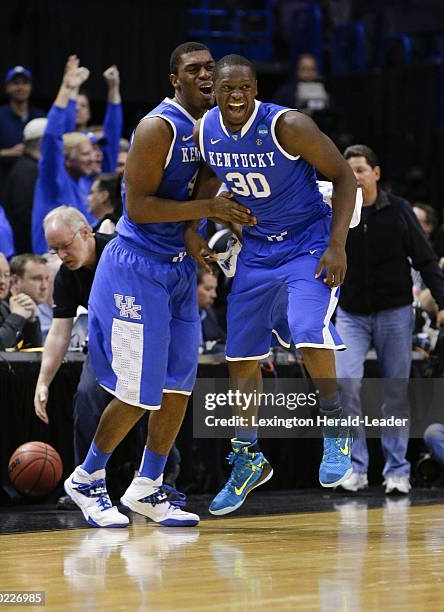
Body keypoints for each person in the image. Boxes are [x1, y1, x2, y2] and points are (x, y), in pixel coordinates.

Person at [64, 42, 256, 529]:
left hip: (176, 267)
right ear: (176, 79)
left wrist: (200, 236)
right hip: (134, 267)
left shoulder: (213, 128)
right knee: (135, 390)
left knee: (177, 387)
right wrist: (206, 212)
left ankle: (147, 486)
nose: (206, 75)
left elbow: (202, 192)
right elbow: (141, 209)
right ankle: (87, 478)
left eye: (211, 68)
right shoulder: (157, 127)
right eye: (194, 69)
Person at [188, 53, 357, 516]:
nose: (236, 96)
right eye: (227, 89)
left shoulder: (290, 126)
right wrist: (199, 227)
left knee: (307, 328)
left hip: (307, 241)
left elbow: (343, 176)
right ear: (215, 92)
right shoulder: (206, 130)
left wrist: (337, 245)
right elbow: (205, 185)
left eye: (244, 87)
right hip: (258, 249)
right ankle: (247, 457)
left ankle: (336, 426)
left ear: (255, 88)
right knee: (239, 355)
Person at [335, 144, 444, 494]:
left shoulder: (397, 210)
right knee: (346, 385)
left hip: (395, 311)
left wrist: (442, 302)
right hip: (350, 312)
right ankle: (356, 467)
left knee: (394, 391)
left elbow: (426, 261)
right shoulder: (338, 211)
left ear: (376, 174)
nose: (354, 176)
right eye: (348, 170)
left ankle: (397, 469)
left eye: (360, 170)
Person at [34, 207, 115, 467]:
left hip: (144, 336)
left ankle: (157, 476)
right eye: (54, 250)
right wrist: (43, 382)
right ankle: (87, 476)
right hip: (104, 343)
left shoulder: (118, 253)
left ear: (84, 232)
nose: (62, 255)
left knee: (144, 404)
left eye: (66, 246)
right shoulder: (66, 277)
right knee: (86, 397)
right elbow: (59, 333)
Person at [31, 56, 96, 255]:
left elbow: (68, 136)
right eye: (86, 154)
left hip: (75, 264)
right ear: (67, 160)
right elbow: (53, 137)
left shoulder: (84, 183)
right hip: (50, 264)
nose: (93, 158)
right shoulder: (53, 180)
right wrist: (66, 89)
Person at [0, 66, 45, 184]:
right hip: (4, 180)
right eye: (15, 83)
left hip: (36, 179)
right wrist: (6, 152)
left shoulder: (40, 117)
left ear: (30, 87)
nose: (20, 87)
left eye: (25, 83)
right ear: (7, 87)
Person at [0, 249, 41, 349]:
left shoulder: (6, 307)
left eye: (6, 275)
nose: (2, 281)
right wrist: (17, 316)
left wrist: (30, 320)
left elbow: (31, 350)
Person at [4, 118, 48, 253]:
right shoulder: (27, 171)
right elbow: (25, 214)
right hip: (29, 247)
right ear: (43, 142)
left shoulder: (31, 166)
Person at [10, 253, 50, 342]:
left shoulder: (45, 309)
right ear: (15, 281)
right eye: (37, 279)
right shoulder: (1, 309)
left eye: (47, 279)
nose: (44, 286)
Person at [197, 266, 226, 353]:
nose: (214, 295)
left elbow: (221, 340)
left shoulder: (208, 313)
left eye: (214, 289)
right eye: (208, 289)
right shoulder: (174, 318)